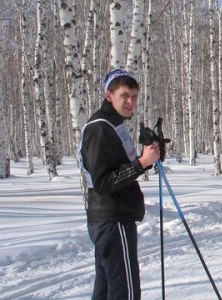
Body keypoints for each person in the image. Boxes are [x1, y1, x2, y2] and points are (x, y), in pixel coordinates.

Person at [78, 69, 160, 300]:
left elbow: (119, 168)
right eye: (125, 95)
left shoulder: (114, 125)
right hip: (112, 218)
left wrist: (147, 160)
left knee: (106, 288)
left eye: (134, 96)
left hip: (112, 216)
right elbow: (103, 182)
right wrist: (142, 163)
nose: (130, 102)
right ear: (108, 95)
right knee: (125, 290)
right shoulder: (100, 128)